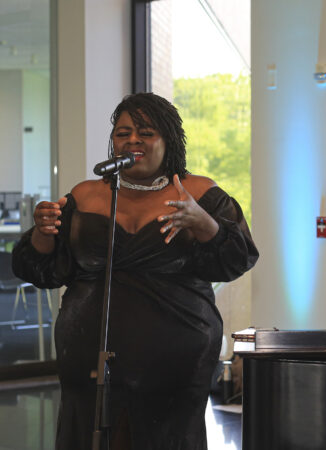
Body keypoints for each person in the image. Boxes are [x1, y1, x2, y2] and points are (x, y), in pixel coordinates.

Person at [12, 92, 259, 449]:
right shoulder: (86, 195)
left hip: (176, 360)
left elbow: (239, 258)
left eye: (146, 132)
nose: (132, 140)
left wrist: (203, 222)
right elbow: (44, 271)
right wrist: (42, 231)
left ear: (168, 139)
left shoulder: (199, 192)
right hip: (88, 355)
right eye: (123, 133)